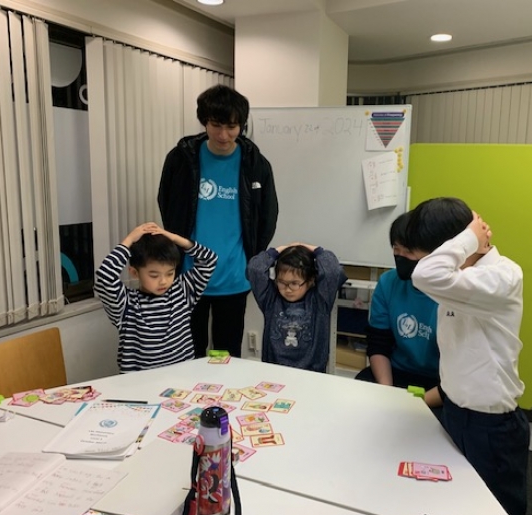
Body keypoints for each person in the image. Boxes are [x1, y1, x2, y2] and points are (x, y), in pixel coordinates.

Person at [405, 197, 529, 515]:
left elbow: (425, 274)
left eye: (433, 253)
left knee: (495, 514)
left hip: (491, 426)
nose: (428, 261)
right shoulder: (461, 276)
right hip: (456, 413)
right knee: (456, 505)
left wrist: (470, 236)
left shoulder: (502, 276)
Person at [157, 84, 278, 359]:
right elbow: (168, 204)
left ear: (242, 125)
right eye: (216, 125)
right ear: (204, 121)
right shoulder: (181, 158)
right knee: (189, 354)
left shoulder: (256, 165)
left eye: (232, 127)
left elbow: (267, 216)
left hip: (234, 278)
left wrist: (251, 258)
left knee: (226, 356)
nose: (223, 135)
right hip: (189, 277)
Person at [94, 222, 217, 372]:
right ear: (134, 273)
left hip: (182, 378)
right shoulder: (126, 303)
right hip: (140, 383)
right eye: (154, 275)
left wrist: (174, 238)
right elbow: (104, 277)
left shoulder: (183, 291)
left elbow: (209, 260)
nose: (163, 281)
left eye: (170, 273)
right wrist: (129, 240)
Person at [354, 212, 442, 409]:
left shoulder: (453, 292)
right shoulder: (388, 282)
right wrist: (388, 391)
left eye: (408, 251)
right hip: (396, 373)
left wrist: (417, 403)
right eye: (396, 248)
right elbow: (378, 344)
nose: (400, 256)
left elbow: (460, 377)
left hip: (440, 383)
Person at [246, 243, 347, 373]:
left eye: (294, 283)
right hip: (273, 371)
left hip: (311, 373)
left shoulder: (320, 300)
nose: (287, 289)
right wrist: (280, 249)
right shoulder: (270, 299)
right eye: (282, 282)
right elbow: (255, 269)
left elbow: (333, 270)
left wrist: (313, 249)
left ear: (310, 280)